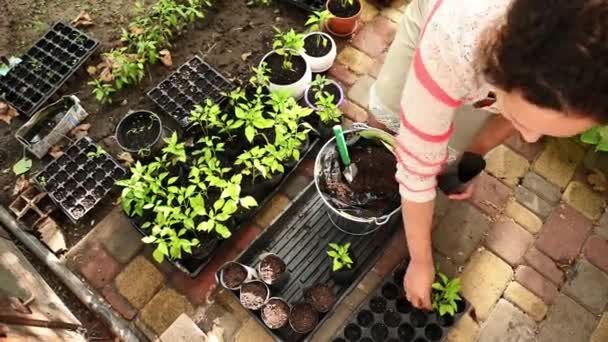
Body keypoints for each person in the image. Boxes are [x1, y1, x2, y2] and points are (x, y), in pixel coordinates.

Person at [369, 0, 608, 310]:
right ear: (500, 71)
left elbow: (525, 113)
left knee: (456, 137)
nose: (530, 138)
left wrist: (474, 153)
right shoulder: (453, 43)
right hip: (443, 23)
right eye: (523, 121)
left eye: (545, 130)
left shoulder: (578, 66)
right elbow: (417, 169)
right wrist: (420, 261)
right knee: (396, 108)